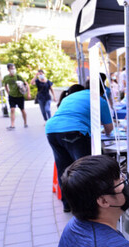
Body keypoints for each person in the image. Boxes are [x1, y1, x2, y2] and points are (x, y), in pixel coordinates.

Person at [45, 82, 113, 212]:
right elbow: (109, 129)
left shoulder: (71, 97)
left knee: (63, 169)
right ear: (101, 91)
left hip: (51, 130)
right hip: (74, 132)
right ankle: (87, 206)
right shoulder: (100, 100)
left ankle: (68, 204)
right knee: (84, 169)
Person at [3, 63, 31, 130]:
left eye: (14, 68)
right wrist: (8, 93)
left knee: (22, 110)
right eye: (11, 68)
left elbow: (26, 84)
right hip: (12, 96)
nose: (13, 70)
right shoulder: (6, 77)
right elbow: (5, 85)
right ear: (8, 70)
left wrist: (28, 94)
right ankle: (12, 125)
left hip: (20, 96)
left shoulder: (18, 76)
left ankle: (25, 122)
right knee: (12, 109)